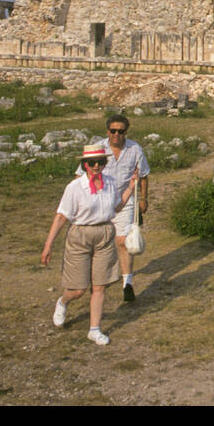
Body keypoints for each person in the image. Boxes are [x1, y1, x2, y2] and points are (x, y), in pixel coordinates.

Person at [41, 143, 138, 345]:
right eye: (92, 163)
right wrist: (48, 245)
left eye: (100, 162)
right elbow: (61, 217)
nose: (96, 166)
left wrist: (130, 187)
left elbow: (117, 206)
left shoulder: (110, 182)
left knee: (100, 286)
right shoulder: (75, 187)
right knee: (78, 289)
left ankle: (94, 329)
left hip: (104, 233)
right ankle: (63, 301)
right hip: (80, 235)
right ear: (84, 164)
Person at [75, 114, 150, 302]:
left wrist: (143, 198)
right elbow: (80, 175)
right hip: (100, 201)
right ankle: (97, 278)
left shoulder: (135, 149)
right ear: (107, 131)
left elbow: (143, 175)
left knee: (123, 242)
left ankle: (127, 283)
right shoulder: (98, 149)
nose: (117, 134)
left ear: (126, 131)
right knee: (101, 242)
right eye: (113, 130)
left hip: (126, 200)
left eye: (121, 131)